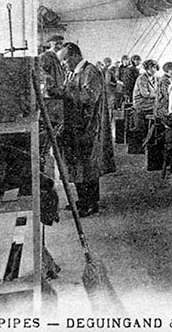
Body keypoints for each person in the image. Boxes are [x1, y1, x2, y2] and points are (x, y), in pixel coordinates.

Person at [56, 42, 116, 217]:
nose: (64, 63)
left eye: (65, 59)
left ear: (75, 55)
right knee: (79, 167)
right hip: (78, 127)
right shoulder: (75, 72)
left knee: (87, 167)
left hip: (89, 128)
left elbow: (89, 97)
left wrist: (64, 93)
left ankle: (90, 203)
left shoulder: (91, 72)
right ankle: (83, 200)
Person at [130, 59, 159, 154]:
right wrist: (158, 95)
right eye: (151, 68)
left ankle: (151, 137)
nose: (153, 69)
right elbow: (145, 94)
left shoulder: (154, 78)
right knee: (159, 107)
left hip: (150, 101)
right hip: (140, 102)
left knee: (159, 106)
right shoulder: (142, 78)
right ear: (147, 68)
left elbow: (154, 92)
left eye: (155, 67)